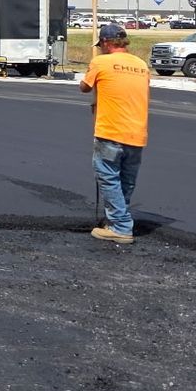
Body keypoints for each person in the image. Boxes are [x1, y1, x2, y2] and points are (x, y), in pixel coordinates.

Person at [80, 22, 150, 244]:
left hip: (111, 131)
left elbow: (84, 87)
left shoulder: (101, 62)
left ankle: (120, 226)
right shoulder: (141, 65)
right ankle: (116, 221)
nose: (100, 48)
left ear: (106, 43)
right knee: (126, 181)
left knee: (108, 177)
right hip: (137, 133)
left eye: (101, 44)